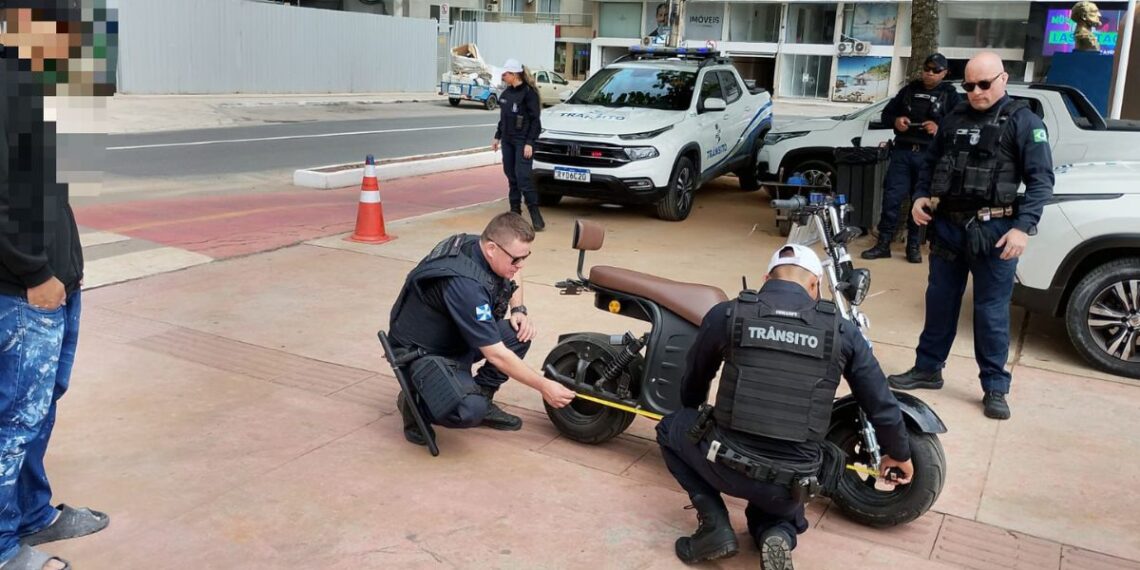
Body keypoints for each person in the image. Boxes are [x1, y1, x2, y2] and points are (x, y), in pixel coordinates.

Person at [656, 244, 913, 569]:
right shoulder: (842, 331)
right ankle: (776, 532)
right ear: (814, 285)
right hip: (791, 482)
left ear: (766, 278)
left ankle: (715, 525)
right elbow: (880, 402)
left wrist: (691, 418)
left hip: (724, 464)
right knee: (785, 494)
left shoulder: (728, 314)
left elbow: (694, 379)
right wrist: (899, 453)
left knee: (669, 428)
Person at [1, 2, 115, 569]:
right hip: (27, 292)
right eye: (61, 27)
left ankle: (33, 516)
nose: (72, 41)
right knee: (13, 422)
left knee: (38, 410)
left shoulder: (22, 85)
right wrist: (35, 274)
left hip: (53, 283)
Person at [887, 52, 1055, 420]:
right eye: (968, 85)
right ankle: (928, 368)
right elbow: (930, 164)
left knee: (990, 312)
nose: (976, 92)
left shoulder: (1024, 122)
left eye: (984, 84)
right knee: (940, 302)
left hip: (996, 230)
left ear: (1003, 79)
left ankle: (995, 386)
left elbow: (1042, 182)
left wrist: (1022, 228)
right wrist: (918, 198)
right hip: (948, 226)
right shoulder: (953, 118)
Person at [387, 213, 575, 446]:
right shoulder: (466, 286)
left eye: (524, 257)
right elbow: (495, 354)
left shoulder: (484, 247)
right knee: (468, 411)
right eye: (516, 260)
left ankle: (484, 396)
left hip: (454, 336)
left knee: (520, 333)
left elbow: (515, 273)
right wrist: (544, 386)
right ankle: (415, 402)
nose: (520, 265)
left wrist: (519, 311)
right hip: (422, 352)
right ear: (491, 249)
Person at [862, 53, 961, 263]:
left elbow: (958, 125)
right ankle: (883, 244)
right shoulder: (909, 90)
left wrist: (938, 127)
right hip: (903, 152)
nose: (930, 74)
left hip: (929, 155)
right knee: (891, 199)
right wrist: (897, 121)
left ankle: (913, 246)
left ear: (945, 73)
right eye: (927, 69)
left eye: (936, 70)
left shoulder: (950, 95)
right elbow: (886, 115)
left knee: (921, 201)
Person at [491, 60, 545, 231]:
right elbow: (503, 119)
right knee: (511, 177)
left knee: (523, 178)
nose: (503, 76)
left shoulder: (529, 94)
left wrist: (530, 143)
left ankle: (536, 215)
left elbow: (535, 121)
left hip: (522, 141)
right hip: (508, 140)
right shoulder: (506, 94)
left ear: (514, 75)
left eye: (505, 74)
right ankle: (515, 213)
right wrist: (497, 136)